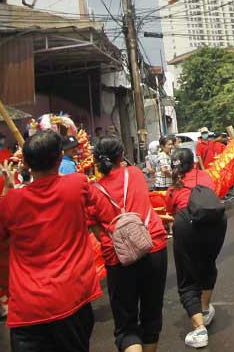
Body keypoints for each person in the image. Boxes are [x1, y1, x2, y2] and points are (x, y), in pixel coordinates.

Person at [0, 130, 110, 352]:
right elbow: (103, 208)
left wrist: (7, 191)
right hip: (72, 297)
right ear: (60, 158)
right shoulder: (76, 184)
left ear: (25, 163)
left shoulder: (11, 201)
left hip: (28, 308)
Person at [91, 137, 168, 352]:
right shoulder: (134, 174)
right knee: (152, 314)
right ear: (121, 155)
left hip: (118, 258)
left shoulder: (93, 191)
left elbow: (95, 229)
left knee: (126, 326)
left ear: (96, 160)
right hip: (153, 246)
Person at [165, 148, 227, 349]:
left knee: (187, 277)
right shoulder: (205, 176)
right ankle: (205, 309)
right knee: (208, 264)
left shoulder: (174, 187)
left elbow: (170, 209)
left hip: (186, 224)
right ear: (193, 162)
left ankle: (199, 330)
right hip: (216, 223)